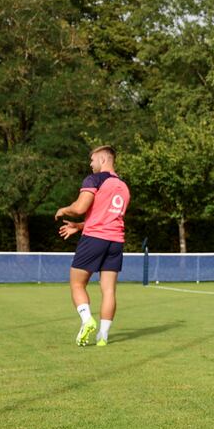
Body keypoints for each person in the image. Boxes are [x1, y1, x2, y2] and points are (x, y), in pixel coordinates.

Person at [55, 145, 131, 348]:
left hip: (94, 240)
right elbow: (105, 217)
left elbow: (80, 208)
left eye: (92, 160)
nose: (90, 164)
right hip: (116, 242)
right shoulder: (123, 187)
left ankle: (87, 320)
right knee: (108, 291)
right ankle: (103, 336)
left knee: (77, 284)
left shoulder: (95, 180)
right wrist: (78, 227)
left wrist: (64, 209)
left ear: (103, 159)